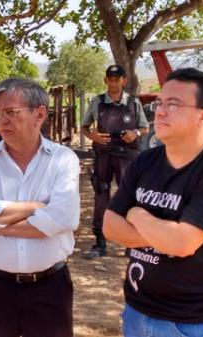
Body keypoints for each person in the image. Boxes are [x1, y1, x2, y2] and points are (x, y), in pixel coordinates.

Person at [103, 68, 203, 337]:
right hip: (136, 311)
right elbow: (110, 227)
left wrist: (135, 213)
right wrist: (165, 234)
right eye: (160, 103)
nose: (160, 111)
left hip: (190, 324)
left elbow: (181, 244)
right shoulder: (144, 162)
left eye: (174, 104)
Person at [0, 78, 80, 337]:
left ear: (39, 114)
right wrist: (37, 207)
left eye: (11, 112)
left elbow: (64, 219)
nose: (2, 120)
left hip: (50, 288)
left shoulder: (62, 159)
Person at [81, 64, 149, 259]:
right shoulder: (97, 102)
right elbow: (84, 127)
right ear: (106, 81)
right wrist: (93, 136)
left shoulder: (134, 102)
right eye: (110, 79)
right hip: (104, 155)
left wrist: (134, 133)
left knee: (129, 197)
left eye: (117, 79)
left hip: (127, 156)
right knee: (101, 196)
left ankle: (131, 244)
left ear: (124, 81)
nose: (113, 83)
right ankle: (99, 244)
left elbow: (144, 127)